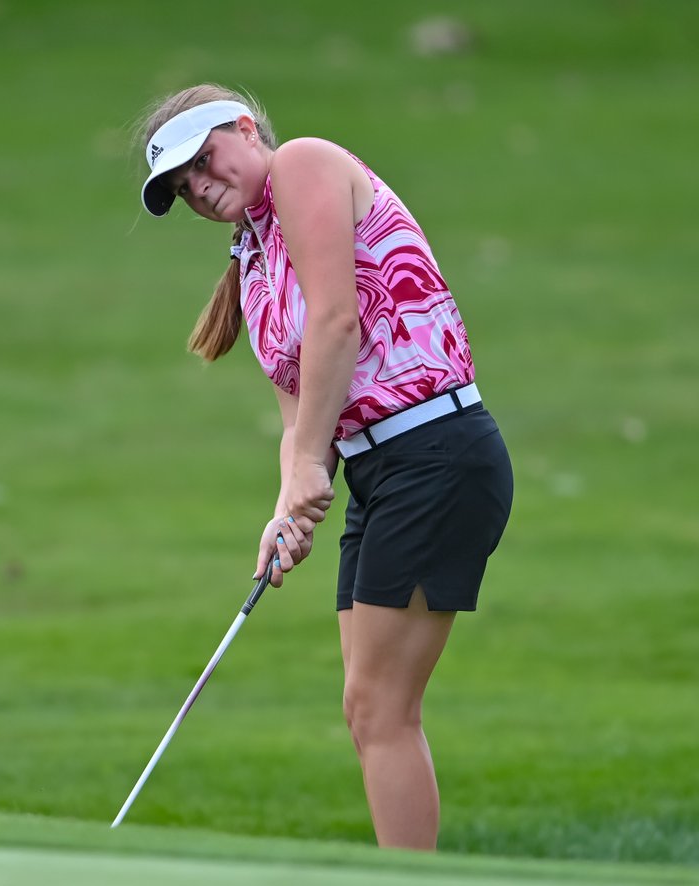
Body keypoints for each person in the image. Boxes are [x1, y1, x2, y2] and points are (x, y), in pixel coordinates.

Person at [136, 83, 513, 851]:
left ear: (245, 127)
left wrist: (312, 461)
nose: (202, 189)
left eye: (204, 163)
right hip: (383, 473)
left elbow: (338, 321)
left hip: (435, 452)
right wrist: (289, 501)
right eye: (185, 187)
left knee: (381, 709)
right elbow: (296, 408)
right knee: (366, 708)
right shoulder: (253, 259)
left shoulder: (303, 165)